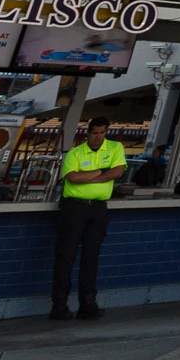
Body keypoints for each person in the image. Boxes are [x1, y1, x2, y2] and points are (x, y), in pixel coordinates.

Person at [51, 116, 127, 320]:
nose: (98, 137)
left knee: (91, 257)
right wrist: (103, 172)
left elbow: (118, 172)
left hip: (98, 208)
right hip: (74, 208)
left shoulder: (114, 147)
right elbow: (72, 178)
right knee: (66, 256)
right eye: (95, 133)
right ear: (88, 133)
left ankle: (88, 303)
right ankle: (59, 304)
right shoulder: (76, 153)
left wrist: (93, 175)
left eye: (102, 133)